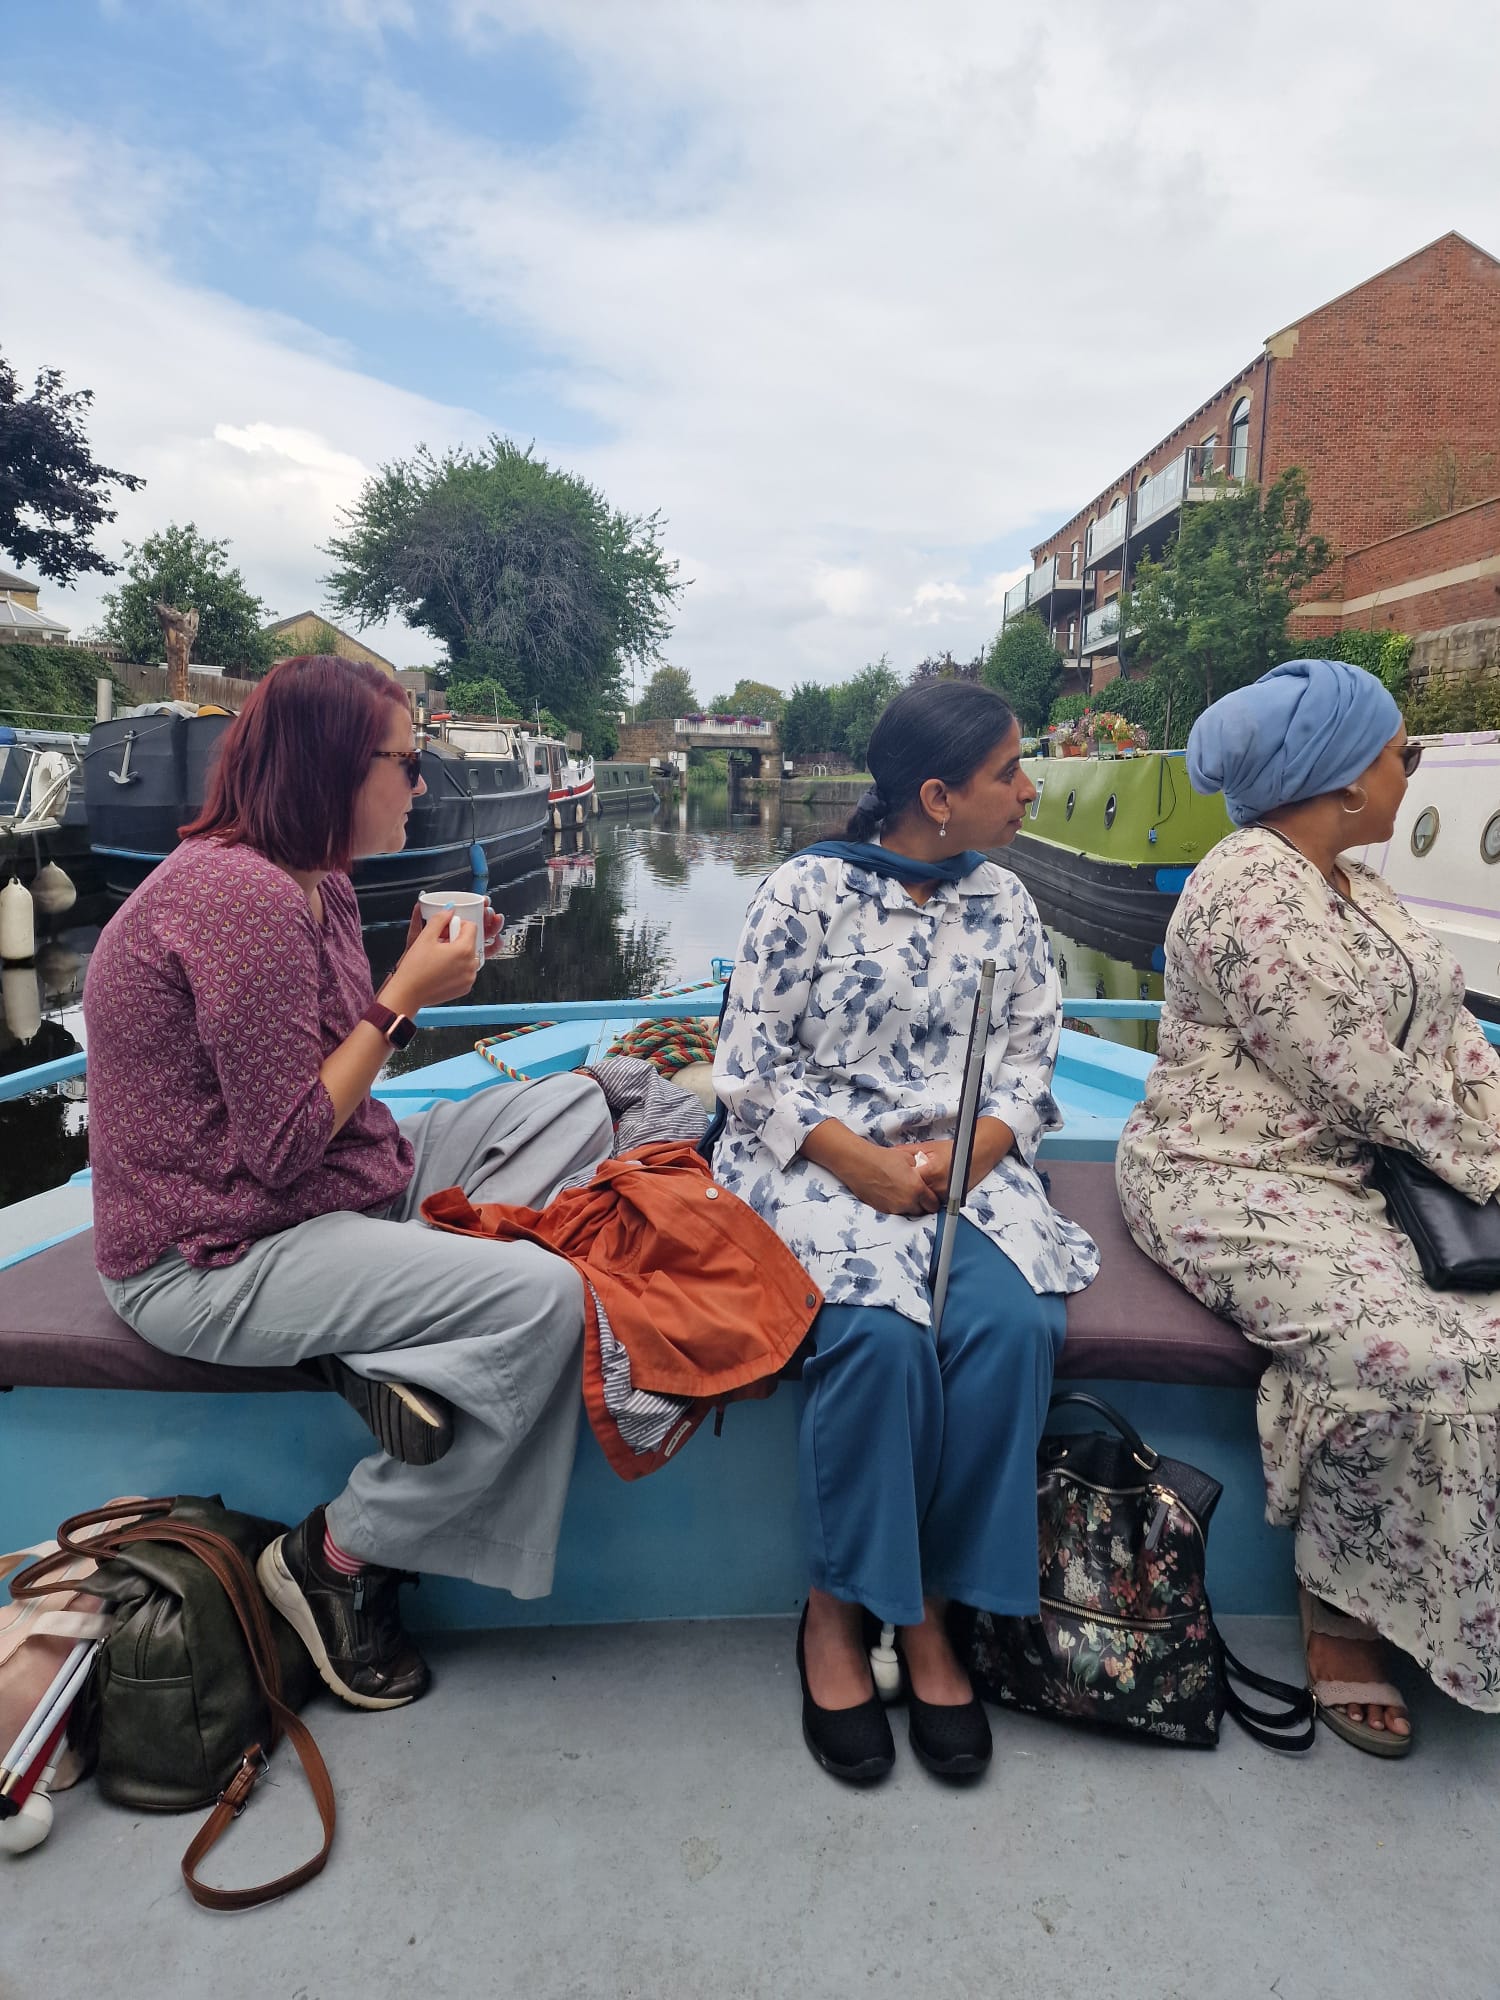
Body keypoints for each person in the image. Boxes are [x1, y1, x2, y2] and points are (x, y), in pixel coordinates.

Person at [84, 656, 613, 1710]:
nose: (421, 786)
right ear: (333, 764)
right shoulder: (235, 897)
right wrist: (401, 999)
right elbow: (281, 1142)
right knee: (549, 1298)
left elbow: (319, 1076)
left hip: (327, 1191)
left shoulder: (310, 877)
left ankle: (391, 1335)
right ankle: (338, 1556)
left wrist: (409, 988)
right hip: (215, 1251)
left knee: (590, 1101)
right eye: (408, 762)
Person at [712, 680, 1098, 1783]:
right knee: (879, 1337)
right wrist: (860, 1162)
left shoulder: (1006, 904)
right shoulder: (805, 893)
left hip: (960, 1162)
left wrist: (973, 1151)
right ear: (936, 795)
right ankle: (838, 1607)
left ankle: (930, 1605)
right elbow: (747, 1067)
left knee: (1013, 1326)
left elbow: (1031, 1061)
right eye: (1009, 773)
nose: (1030, 790)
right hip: (821, 1161)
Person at [1117, 657, 1500, 1756]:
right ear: (1340, 778)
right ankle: (1341, 1605)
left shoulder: (1357, 885)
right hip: (1223, 1177)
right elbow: (1353, 1072)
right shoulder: (1246, 883)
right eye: (1402, 752)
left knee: (1485, 1333)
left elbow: (1450, 1031)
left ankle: (1437, 1597)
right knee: (1408, 1350)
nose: (1409, 770)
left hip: (1351, 1174)